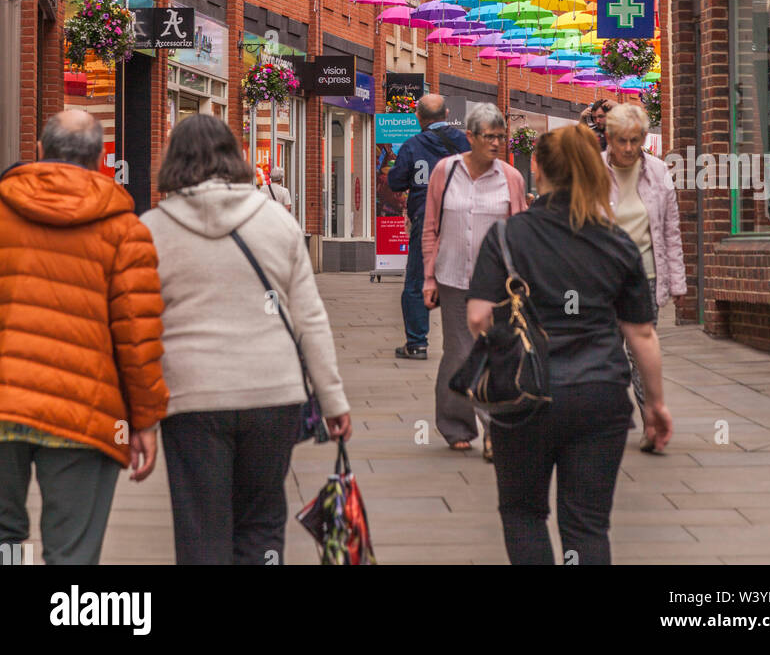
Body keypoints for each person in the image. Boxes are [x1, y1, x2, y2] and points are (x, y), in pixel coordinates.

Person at [142, 114, 351, 565]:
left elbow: (140, 327)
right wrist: (333, 401)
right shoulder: (277, 222)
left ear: (173, 162)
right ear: (235, 159)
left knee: (200, 525)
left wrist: (138, 418)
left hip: (192, 397)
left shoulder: (152, 230)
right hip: (272, 393)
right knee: (260, 522)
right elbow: (309, 318)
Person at [467, 124, 672, 566]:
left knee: (522, 513)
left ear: (536, 168)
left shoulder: (507, 237)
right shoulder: (617, 242)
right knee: (586, 525)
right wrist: (654, 405)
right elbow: (641, 334)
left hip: (525, 397)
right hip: (599, 396)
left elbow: (478, 316)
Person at [0, 109, 168, 566]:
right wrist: (144, 421)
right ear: (100, 161)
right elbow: (137, 337)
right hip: (85, 414)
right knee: (71, 553)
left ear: (38, 153)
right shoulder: (125, 230)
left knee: (4, 540)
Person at [422, 104, 527, 454]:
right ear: (471, 137)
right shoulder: (445, 171)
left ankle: (495, 427)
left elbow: (520, 231)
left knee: (495, 353)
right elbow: (431, 226)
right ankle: (456, 425)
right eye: (489, 136)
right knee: (459, 352)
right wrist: (428, 278)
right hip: (451, 275)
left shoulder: (511, 177)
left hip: (497, 283)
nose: (497, 143)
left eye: (501, 136)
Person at [603, 101, 687, 451]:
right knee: (606, 355)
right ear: (608, 137)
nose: (628, 148)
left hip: (644, 277)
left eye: (635, 140)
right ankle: (605, 426)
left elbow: (670, 230)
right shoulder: (592, 171)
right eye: (621, 140)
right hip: (602, 280)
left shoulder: (657, 172)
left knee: (642, 355)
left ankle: (651, 423)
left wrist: (677, 281)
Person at [387, 94, 470, 361]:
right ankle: (464, 341)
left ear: (418, 117)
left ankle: (417, 343)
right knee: (465, 278)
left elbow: (396, 182)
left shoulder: (412, 145)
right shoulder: (464, 142)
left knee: (416, 280)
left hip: (426, 218)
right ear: (447, 113)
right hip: (463, 217)